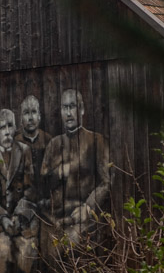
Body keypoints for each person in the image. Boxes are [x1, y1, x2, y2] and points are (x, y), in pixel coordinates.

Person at [39, 89, 111, 254]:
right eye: (65, 108)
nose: (69, 112)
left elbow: (106, 182)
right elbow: (42, 185)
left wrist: (88, 206)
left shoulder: (97, 142)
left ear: (82, 109)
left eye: (73, 107)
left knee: (72, 247)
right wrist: (57, 173)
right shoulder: (54, 145)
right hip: (55, 218)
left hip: (83, 219)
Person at [0, 109, 38, 273]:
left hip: (22, 222)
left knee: (27, 253)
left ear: (16, 128)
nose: (7, 132)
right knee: (2, 252)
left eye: (10, 126)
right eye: (2, 128)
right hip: (0, 225)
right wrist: (3, 218)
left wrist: (19, 216)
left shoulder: (24, 151)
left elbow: (31, 189)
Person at [16, 95, 51, 177]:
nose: (30, 118)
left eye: (34, 112)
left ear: (39, 116)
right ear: (21, 119)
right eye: (26, 113)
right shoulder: (16, 142)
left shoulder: (48, 140)